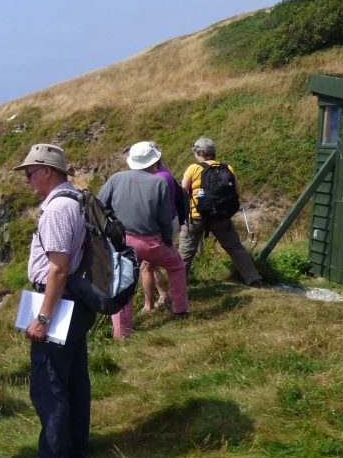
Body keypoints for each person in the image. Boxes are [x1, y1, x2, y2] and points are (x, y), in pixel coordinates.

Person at [14, 143, 97, 458]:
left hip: (59, 302)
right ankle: (76, 446)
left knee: (49, 383)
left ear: (47, 171)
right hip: (75, 301)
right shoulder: (74, 200)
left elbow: (58, 268)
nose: (27, 180)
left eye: (30, 173)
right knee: (74, 377)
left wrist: (43, 318)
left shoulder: (57, 210)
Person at [98, 141, 189, 339]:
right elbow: (166, 218)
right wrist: (166, 239)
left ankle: (121, 333)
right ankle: (180, 310)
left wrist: (111, 223)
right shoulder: (159, 183)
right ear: (153, 161)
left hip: (122, 241)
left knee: (123, 283)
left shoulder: (116, 178)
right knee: (176, 265)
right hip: (149, 242)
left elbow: (99, 204)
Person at [178, 137, 263, 286]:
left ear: (201, 153)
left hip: (196, 217)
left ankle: (177, 288)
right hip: (222, 217)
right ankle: (254, 279)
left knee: (185, 254)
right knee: (235, 248)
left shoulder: (193, 168)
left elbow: (182, 193)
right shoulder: (228, 168)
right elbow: (237, 192)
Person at [140, 141, 180, 312]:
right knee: (152, 263)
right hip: (171, 220)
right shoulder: (164, 173)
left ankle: (149, 305)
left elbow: (155, 207)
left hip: (163, 224)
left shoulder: (159, 178)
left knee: (146, 265)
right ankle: (165, 295)